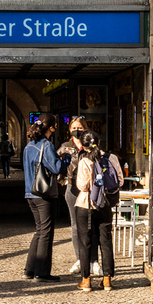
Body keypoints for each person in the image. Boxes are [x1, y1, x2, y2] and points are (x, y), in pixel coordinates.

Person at [72, 129, 123, 291]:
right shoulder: (112, 158)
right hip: (105, 204)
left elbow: (82, 186)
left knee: (85, 242)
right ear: (99, 142)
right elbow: (120, 181)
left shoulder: (84, 161)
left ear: (83, 145)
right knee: (106, 240)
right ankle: (107, 279)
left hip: (86, 205)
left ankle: (86, 281)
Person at [22, 114, 67, 281]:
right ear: (52, 128)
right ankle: (42, 272)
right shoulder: (46, 145)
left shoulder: (29, 146)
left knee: (39, 231)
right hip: (44, 194)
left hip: (30, 193)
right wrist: (66, 158)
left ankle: (29, 269)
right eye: (55, 126)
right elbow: (56, 168)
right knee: (46, 232)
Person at [57, 116, 89, 273]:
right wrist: (63, 181)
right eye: (75, 127)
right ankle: (79, 259)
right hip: (72, 188)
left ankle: (92, 260)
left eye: (81, 128)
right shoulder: (65, 147)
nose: (77, 130)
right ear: (70, 129)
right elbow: (56, 165)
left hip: (88, 190)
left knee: (89, 224)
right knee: (75, 224)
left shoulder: (90, 145)